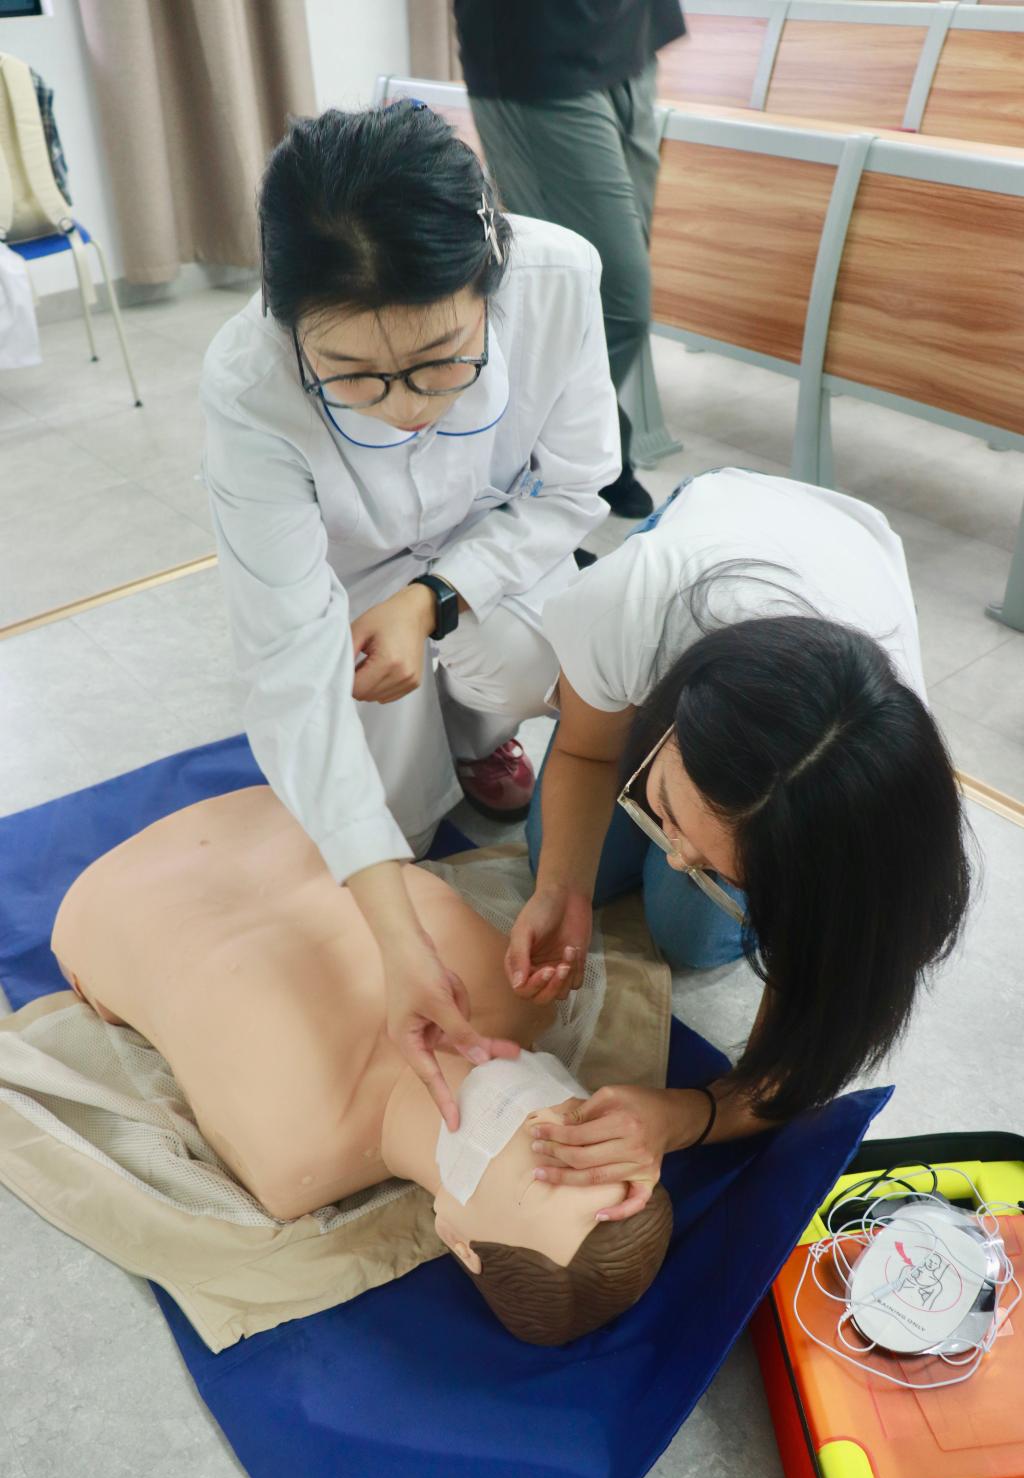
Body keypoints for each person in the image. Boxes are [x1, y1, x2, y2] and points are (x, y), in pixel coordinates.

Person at [200, 103, 619, 1126]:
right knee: (384, 823)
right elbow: (286, 662)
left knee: (523, 664)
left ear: (490, 277)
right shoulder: (249, 384)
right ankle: (422, 771)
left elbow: (575, 491)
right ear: (288, 324)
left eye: (442, 359)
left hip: (492, 548)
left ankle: (476, 736)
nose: (407, 405)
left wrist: (433, 598)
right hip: (344, 586)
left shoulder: (558, 279)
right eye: (352, 377)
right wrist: (395, 938)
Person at [50, 787, 672, 1347]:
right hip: (283, 789)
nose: (551, 1127)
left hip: (108, 893)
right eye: (593, 1142)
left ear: (459, 1241)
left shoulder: (292, 1154)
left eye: (549, 1176)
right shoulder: (522, 993)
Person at [507, 469, 972, 1215]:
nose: (676, 855)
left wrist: (684, 1116)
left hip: (835, 570)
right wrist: (560, 887)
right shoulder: (632, 602)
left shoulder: (868, 830)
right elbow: (588, 752)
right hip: (713, 535)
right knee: (560, 856)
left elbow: (799, 1058)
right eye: (668, 809)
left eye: (730, 871)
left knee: (688, 932)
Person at [455, 0, 685, 520]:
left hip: (632, 38)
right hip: (538, 48)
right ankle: (529, 477)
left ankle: (592, 447)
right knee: (618, 299)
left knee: (600, 293)